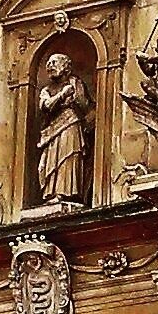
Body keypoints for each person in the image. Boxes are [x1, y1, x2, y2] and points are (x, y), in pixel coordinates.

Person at [34, 51, 92, 204]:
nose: (50, 66)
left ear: (66, 67)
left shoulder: (76, 82)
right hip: (52, 131)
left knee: (69, 156)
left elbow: (85, 106)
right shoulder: (46, 90)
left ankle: (66, 193)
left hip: (71, 125)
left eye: (54, 63)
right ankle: (52, 193)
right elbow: (45, 106)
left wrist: (76, 96)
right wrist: (62, 95)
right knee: (50, 161)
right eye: (48, 64)